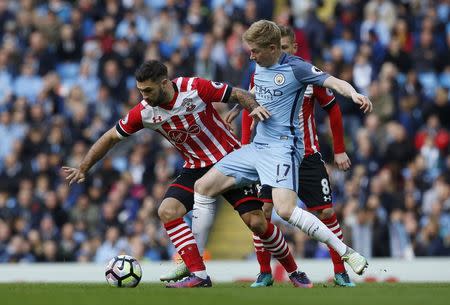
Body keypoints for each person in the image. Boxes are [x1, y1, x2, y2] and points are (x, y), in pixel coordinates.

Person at [63, 60, 313, 288]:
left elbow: (236, 93)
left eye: (148, 90)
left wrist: (255, 108)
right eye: (141, 91)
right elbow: (109, 137)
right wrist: (83, 168)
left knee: (257, 223)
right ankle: (199, 274)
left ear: (164, 83)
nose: (144, 97)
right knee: (167, 211)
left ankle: (294, 271)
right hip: (195, 168)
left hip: (230, 160)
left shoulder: (193, 86)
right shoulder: (145, 112)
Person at [192, 20, 372, 286]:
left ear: (273, 48)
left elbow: (332, 82)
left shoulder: (297, 68)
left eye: (254, 51)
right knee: (203, 186)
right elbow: (257, 89)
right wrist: (239, 108)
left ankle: (347, 255)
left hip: (283, 148)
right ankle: (196, 269)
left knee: (286, 211)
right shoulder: (259, 65)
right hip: (257, 148)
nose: (250, 56)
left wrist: (355, 93)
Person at [228, 25, 356, 287]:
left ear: (292, 48)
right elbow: (248, 108)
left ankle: (341, 272)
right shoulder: (260, 71)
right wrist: (244, 145)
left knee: (327, 212)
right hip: (270, 153)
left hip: (307, 154)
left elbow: (332, 109)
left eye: (286, 48)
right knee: (262, 212)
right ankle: (265, 272)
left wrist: (339, 149)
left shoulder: (304, 73)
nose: (282, 55)